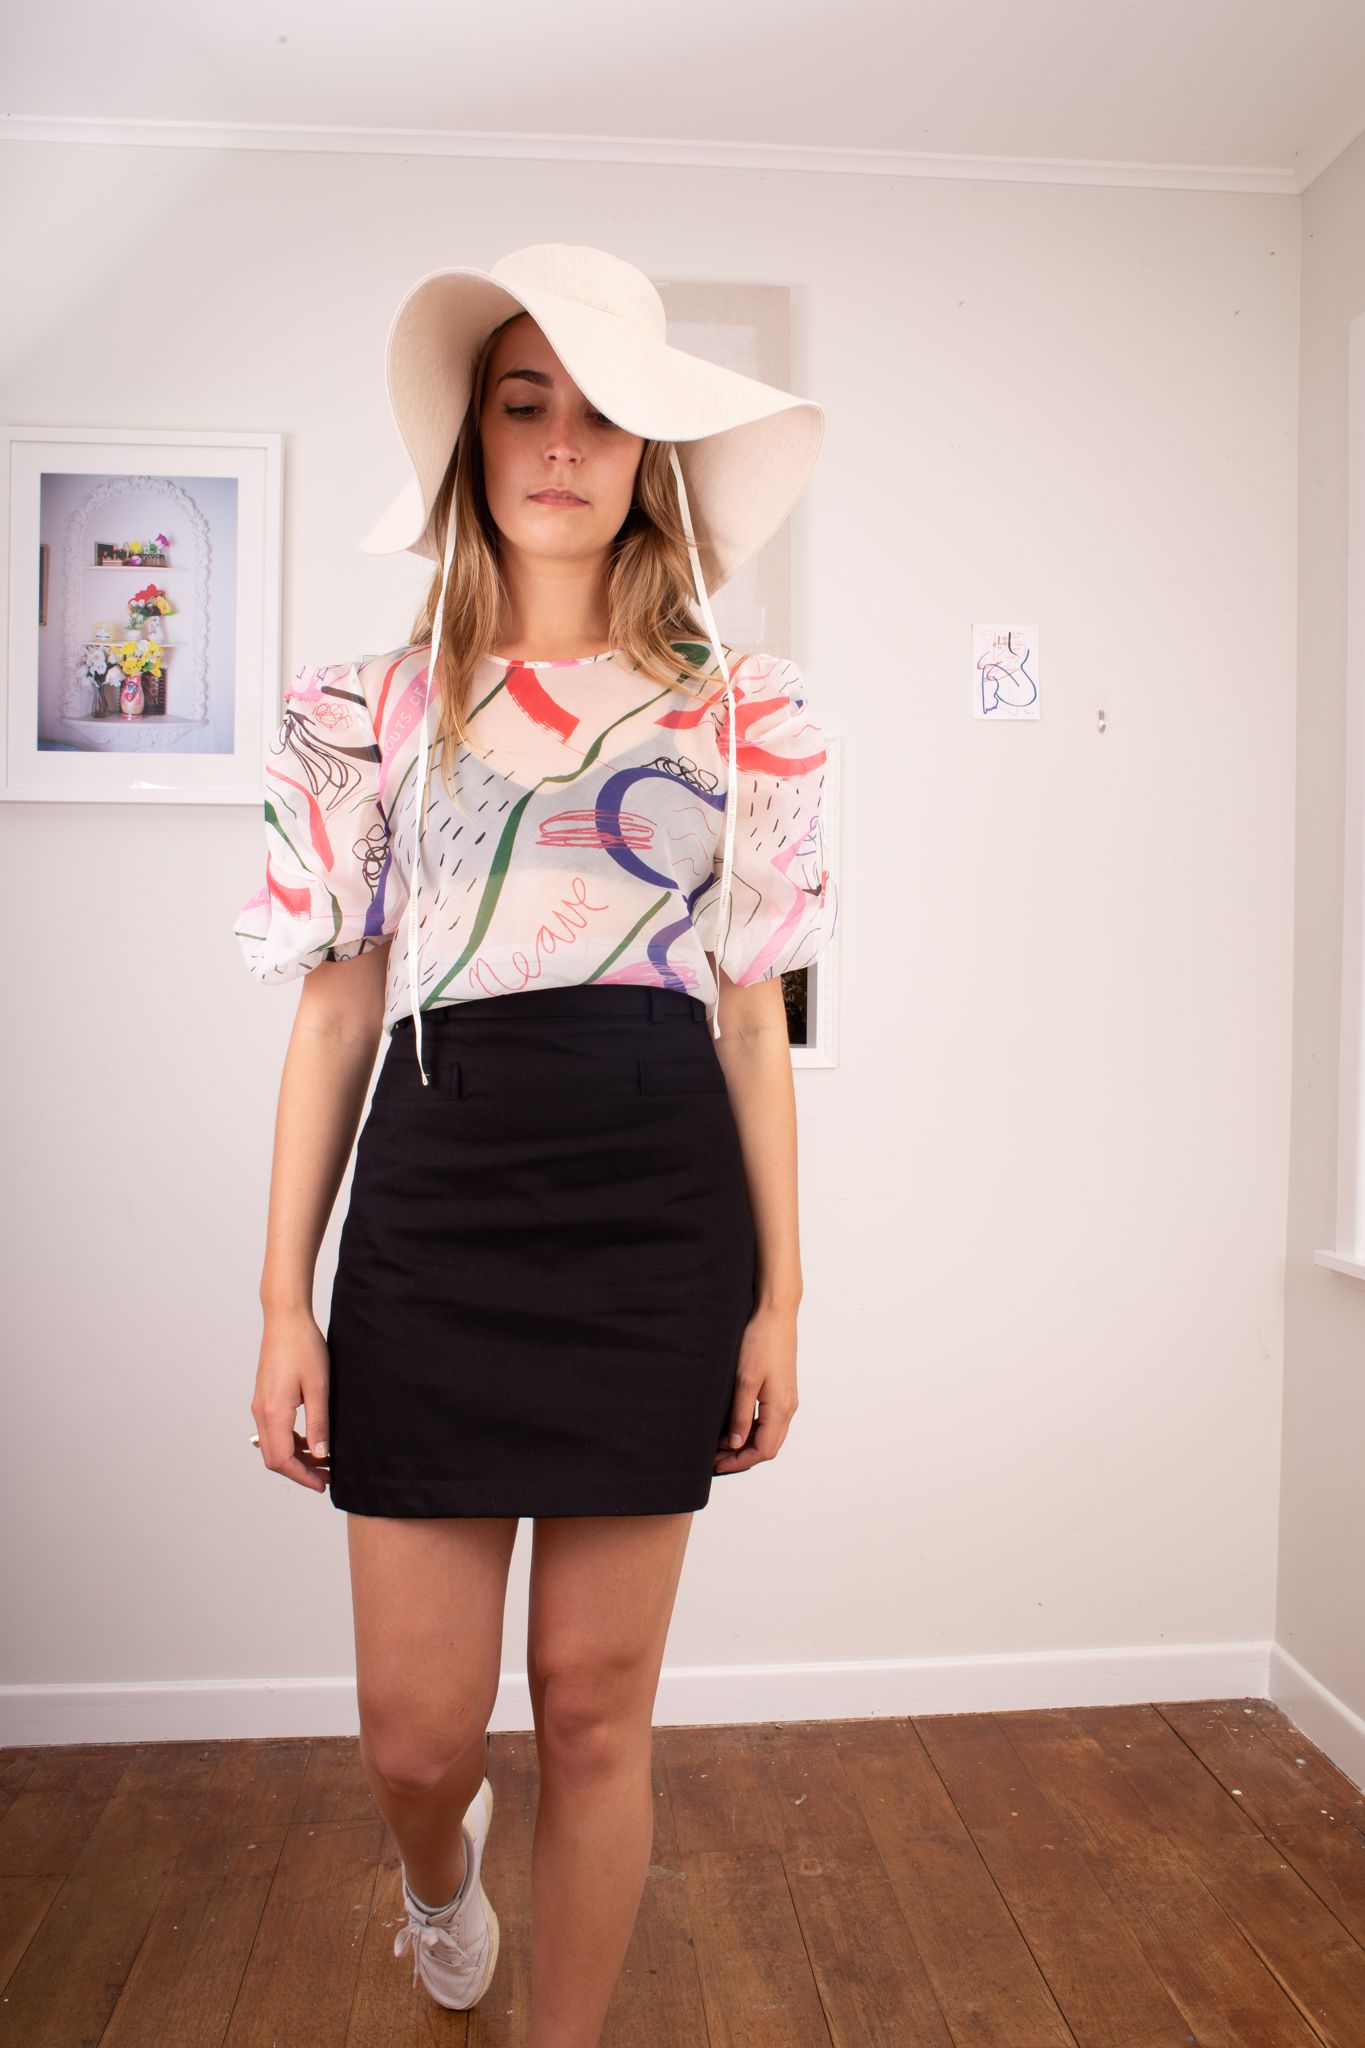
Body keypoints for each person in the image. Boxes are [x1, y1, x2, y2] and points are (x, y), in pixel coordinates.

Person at [233, 243, 838, 2044]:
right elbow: (332, 1017)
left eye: (599, 415)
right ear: (473, 443)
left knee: (591, 1712)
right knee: (417, 1738)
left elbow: (752, 1021)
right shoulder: (364, 708)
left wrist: (781, 1301)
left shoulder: (746, 714)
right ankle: (441, 1887)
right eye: (523, 404)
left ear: (648, 458)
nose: (560, 445)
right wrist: (282, 1304)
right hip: (437, 1208)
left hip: (656, 1217)